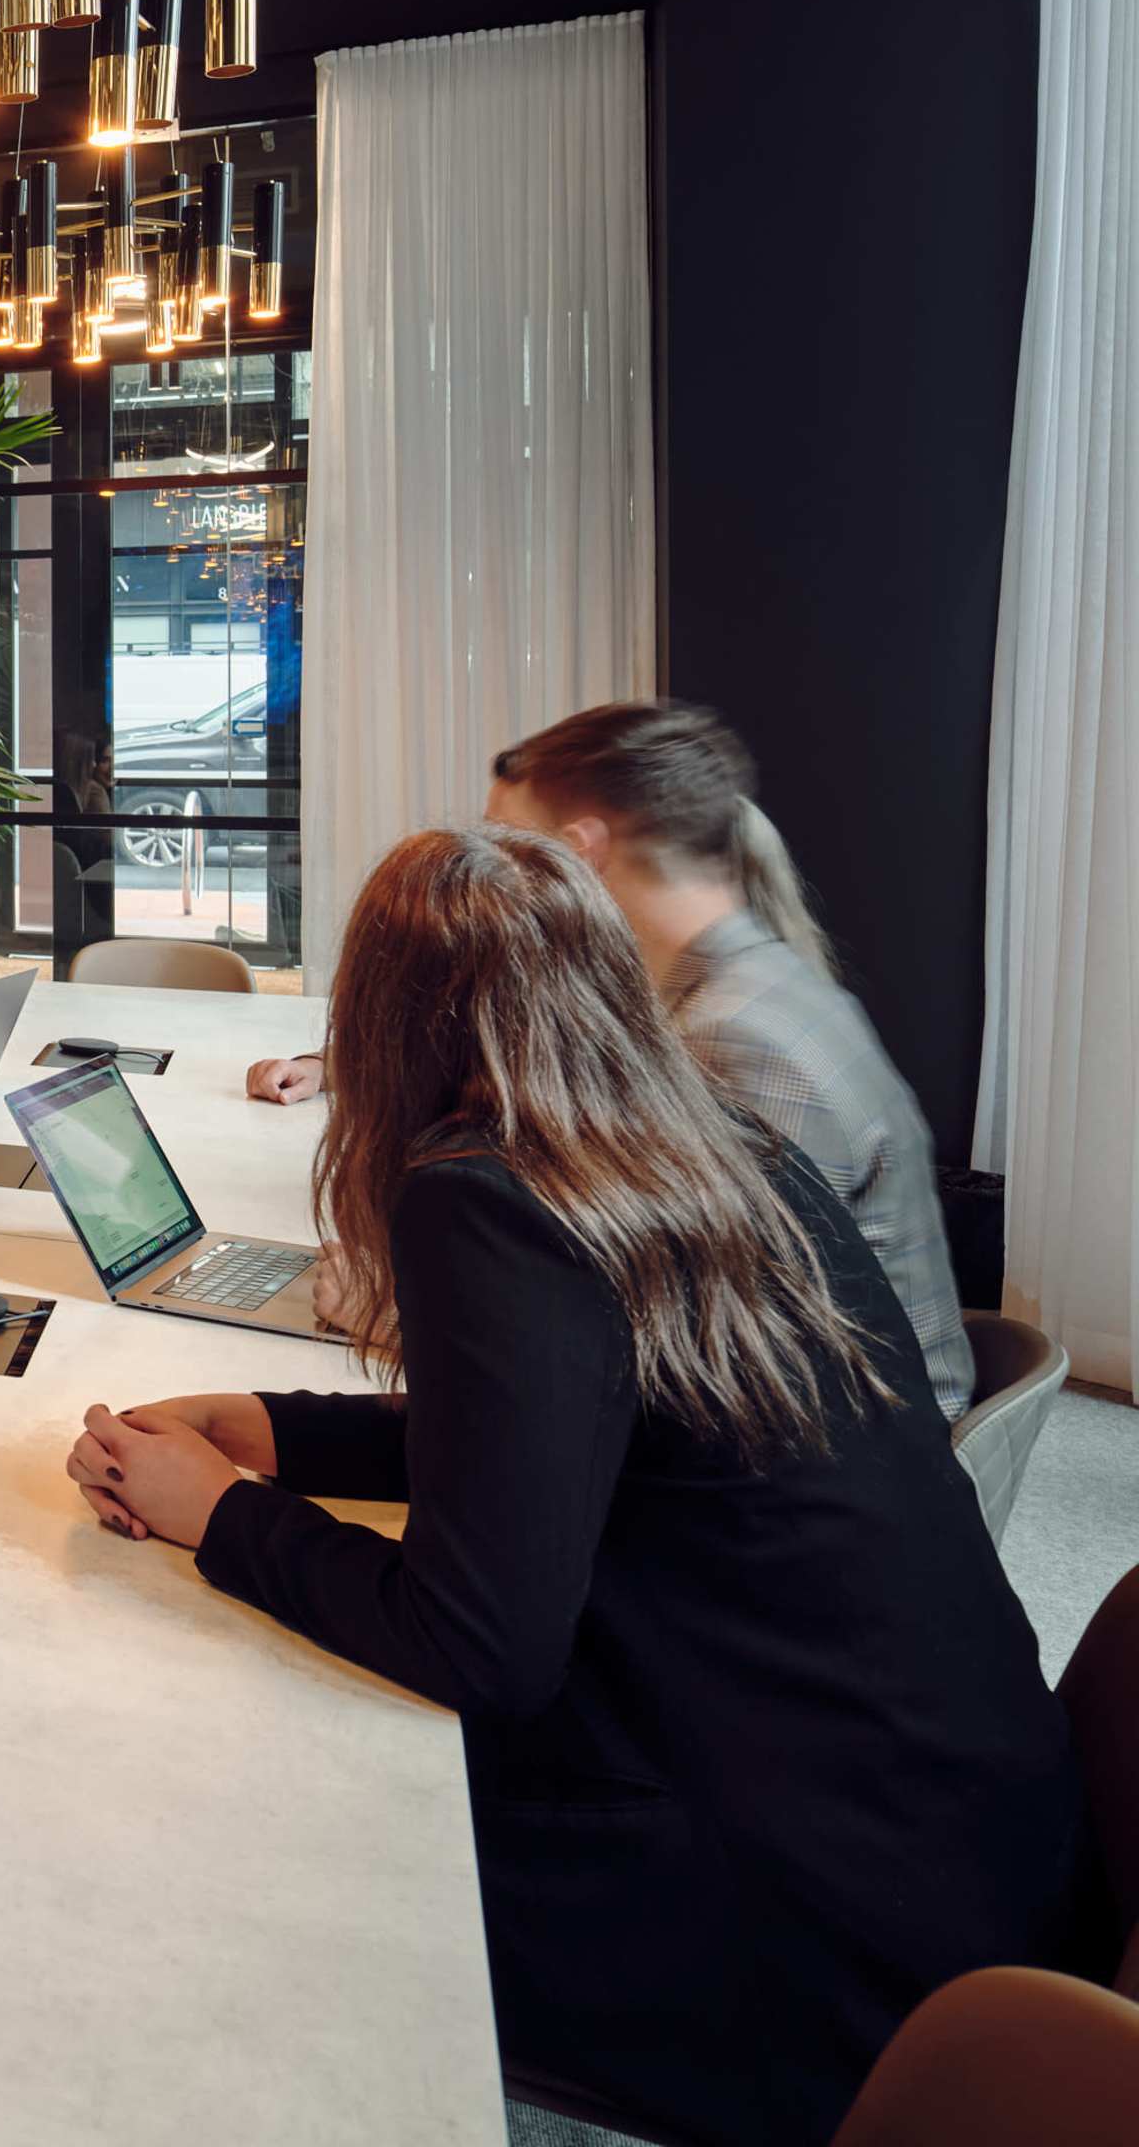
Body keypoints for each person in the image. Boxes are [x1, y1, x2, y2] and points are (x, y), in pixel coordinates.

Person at [69, 829, 1082, 2147]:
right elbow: (580, 1432)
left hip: (806, 1936)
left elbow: (479, 1645)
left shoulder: (483, 1196)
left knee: (250, 1837)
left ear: (378, 1027)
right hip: (959, 1853)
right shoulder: (706, 1139)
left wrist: (224, 1515)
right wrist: (279, 1428)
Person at [246, 702, 969, 1414]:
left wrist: (397, 1320)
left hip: (846, 1445)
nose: (493, 871)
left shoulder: (738, 1040)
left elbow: (690, 1350)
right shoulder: (724, 989)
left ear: (578, 852)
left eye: (509, 844)